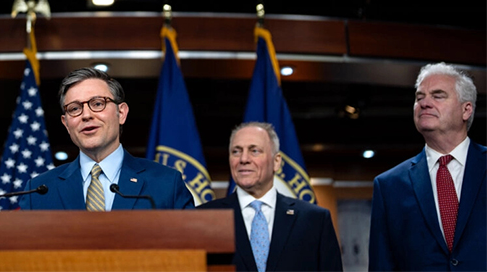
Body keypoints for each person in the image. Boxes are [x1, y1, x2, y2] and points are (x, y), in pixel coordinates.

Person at [19, 67, 194, 210]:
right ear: (66, 124)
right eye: (74, 109)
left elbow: (191, 249)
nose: (86, 115)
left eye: (97, 104)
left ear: (121, 113)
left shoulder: (167, 184)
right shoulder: (38, 191)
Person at [369, 62, 486, 271]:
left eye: (438, 96)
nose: (424, 103)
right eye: (419, 97)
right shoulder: (389, 186)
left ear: (466, 110)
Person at [198, 122, 343, 272]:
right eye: (236, 151)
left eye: (254, 151)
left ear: (276, 162)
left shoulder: (315, 219)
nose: (243, 159)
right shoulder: (203, 217)